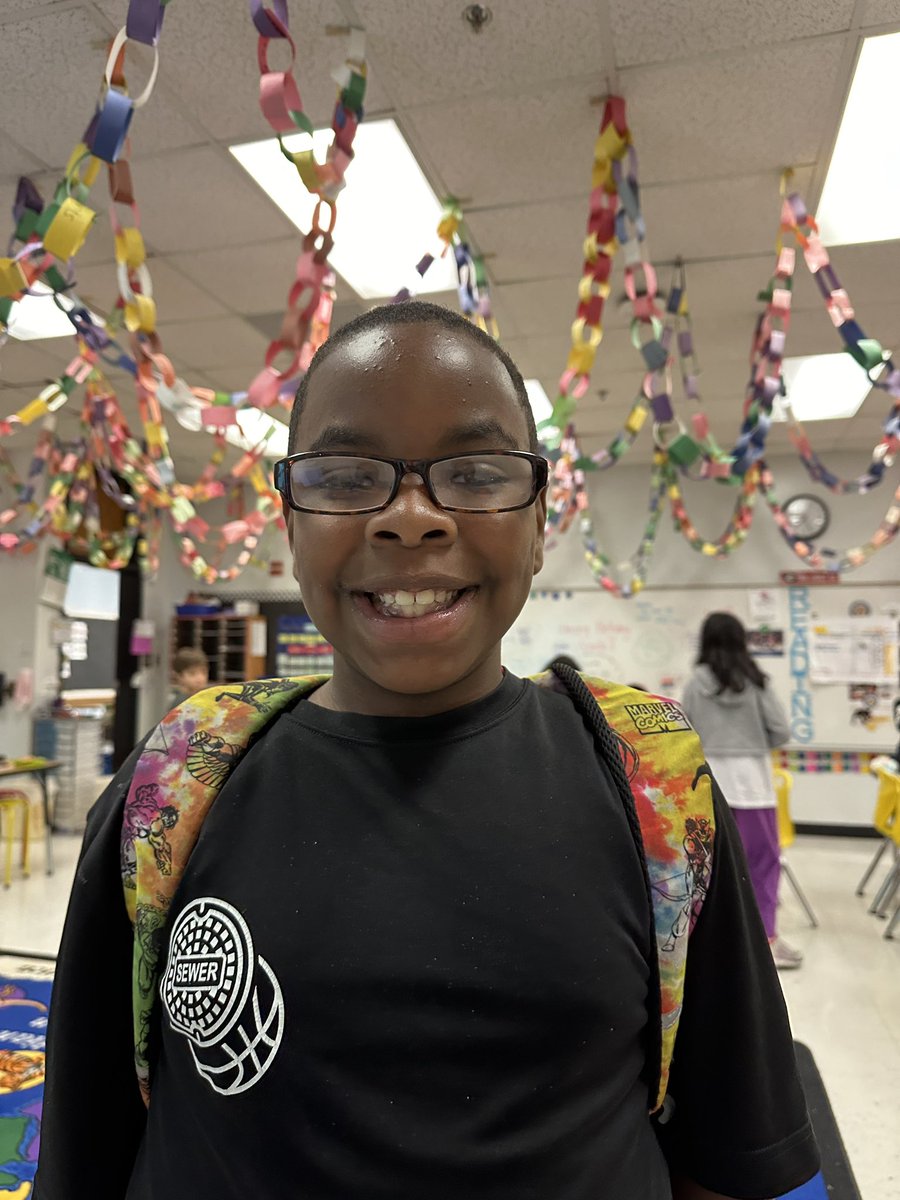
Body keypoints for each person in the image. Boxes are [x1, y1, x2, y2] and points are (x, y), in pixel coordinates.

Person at [36, 302, 818, 1200]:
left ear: (537, 518)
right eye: (342, 474)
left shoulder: (652, 781)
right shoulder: (176, 780)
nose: (412, 519)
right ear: (289, 519)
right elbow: (86, 1148)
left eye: (478, 472)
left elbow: (736, 1152)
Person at [681, 612, 800, 970]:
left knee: (707, 866)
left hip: (708, 781)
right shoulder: (757, 681)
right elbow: (781, 731)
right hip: (753, 784)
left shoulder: (694, 683)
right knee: (763, 863)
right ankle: (766, 940)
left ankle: (713, 942)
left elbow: (684, 730)